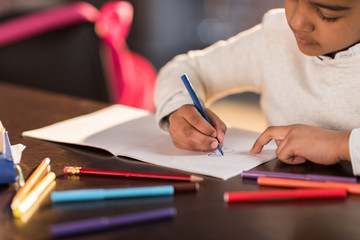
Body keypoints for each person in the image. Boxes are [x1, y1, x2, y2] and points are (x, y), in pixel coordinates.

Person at [154, 0, 360, 175]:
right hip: (280, 205)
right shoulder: (276, 36)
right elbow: (183, 69)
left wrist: (341, 144)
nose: (297, 22)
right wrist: (179, 106)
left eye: (327, 14)